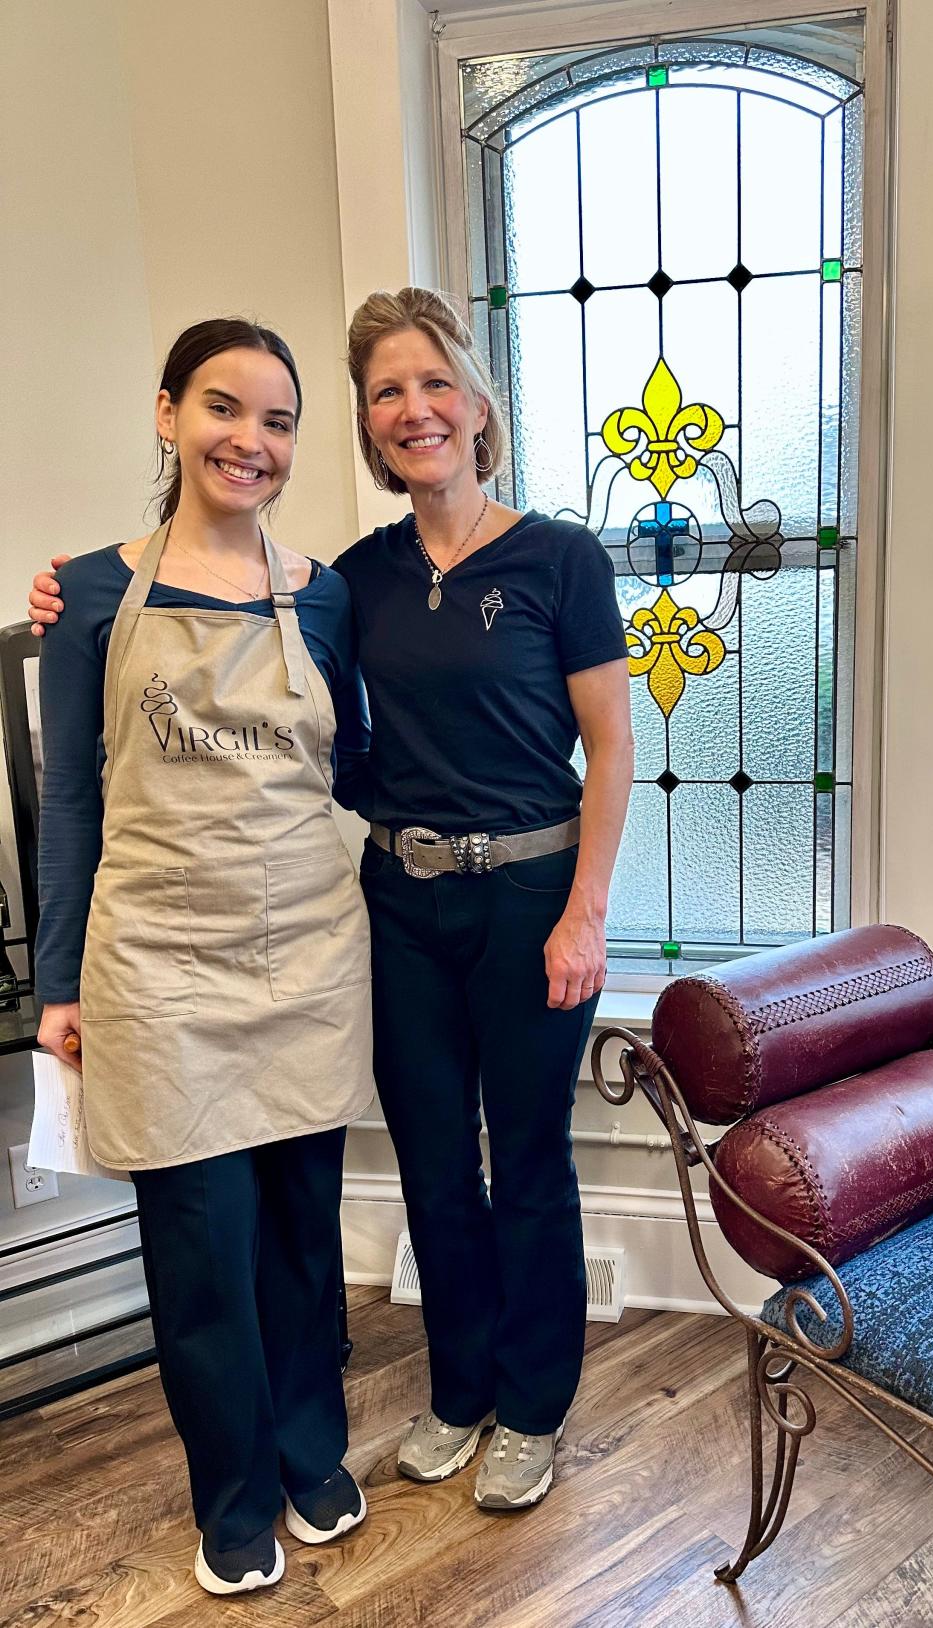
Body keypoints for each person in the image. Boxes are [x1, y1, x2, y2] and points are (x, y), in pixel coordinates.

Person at [30, 286, 633, 1514]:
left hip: (531, 901)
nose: (414, 409)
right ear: (367, 427)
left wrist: (586, 910)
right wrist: (68, 603)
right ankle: (458, 1392)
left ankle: (531, 1405)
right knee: (427, 1163)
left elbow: (609, 748)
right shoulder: (349, 580)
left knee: (524, 1162)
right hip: (399, 908)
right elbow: (326, 747)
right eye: (385, 394)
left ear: (477, 403)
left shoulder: (560, 557)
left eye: (433, 383)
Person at [32, 318, 375, 1595]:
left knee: (298, 1228)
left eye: (279, 420)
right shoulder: (91, 593)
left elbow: (361, 761)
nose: (253, 439)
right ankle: (231, 1499)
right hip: (159, 965)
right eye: (225, 409)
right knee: (200, 1245)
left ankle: (309, 1450)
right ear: (167, 413)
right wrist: (58, 983)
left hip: (308, 958)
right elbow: (73, 796)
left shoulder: (326, 591)